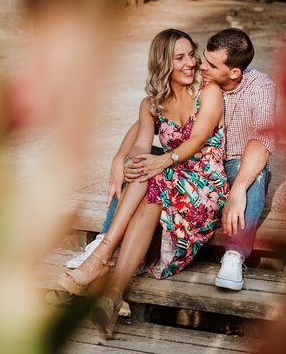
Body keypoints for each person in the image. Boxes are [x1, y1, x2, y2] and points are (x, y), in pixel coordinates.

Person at [67, 27, 276, 291]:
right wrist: (121, 159)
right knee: (143, 168)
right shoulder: (188, 86)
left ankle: (234, 254)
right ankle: (106, 254)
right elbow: (145, 128)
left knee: (253, 177)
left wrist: (237, 189)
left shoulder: (250, 88)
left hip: (228, 163)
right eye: (197, 58)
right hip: (182, 165)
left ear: (233, 72)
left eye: (207, 63)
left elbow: (260, 142)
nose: (198, 65)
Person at [58, 29, 229, 338]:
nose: (191, 62)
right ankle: (112, 296)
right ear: (163, 63)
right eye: (180, 58)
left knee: (154, 175)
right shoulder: (151, 104)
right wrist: (131, 161)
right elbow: (140, 146)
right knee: (147, 179)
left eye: (192, 54)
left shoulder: (209, 92)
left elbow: (198, 139)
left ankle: (100, 256)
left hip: (204, 188)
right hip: (167, 185)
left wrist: (159, 161)